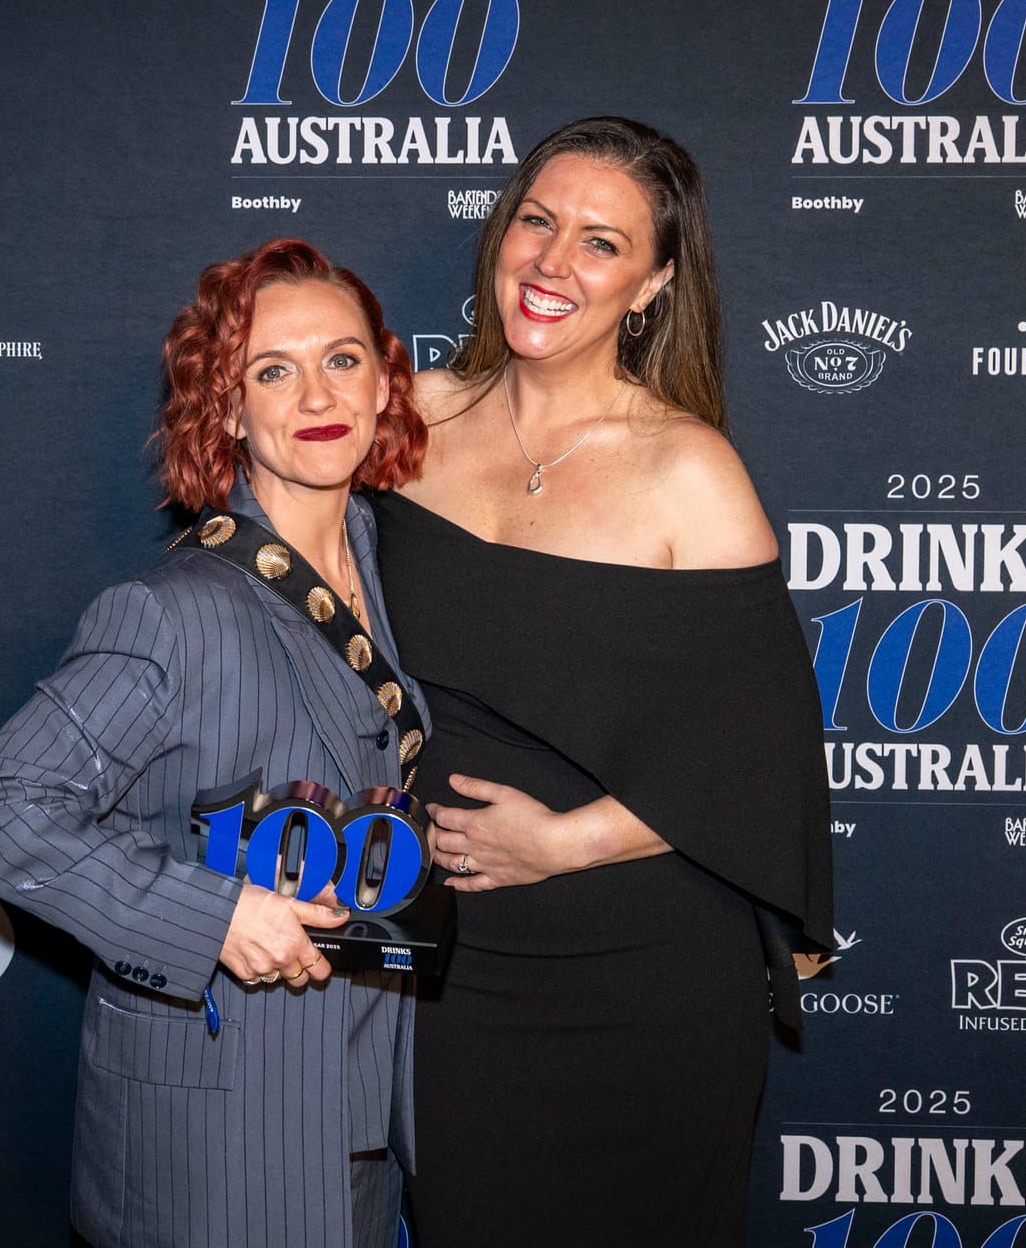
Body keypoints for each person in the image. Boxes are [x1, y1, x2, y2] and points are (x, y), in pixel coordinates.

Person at [370, 117, 833, 1246]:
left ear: (652, 282)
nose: (549, 262)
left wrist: (564, 840)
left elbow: (762, 758)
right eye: (536, 220)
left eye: (599, 242)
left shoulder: (689, 470)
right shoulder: (408, 417)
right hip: (448, 967)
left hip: (646, 968)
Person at [0, 238, 429, 1248]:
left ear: (386, 381)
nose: (314, 393)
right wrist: (210, 916)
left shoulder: (392, 565)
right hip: (218, 1136)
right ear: (226, 408)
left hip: (362, 1120)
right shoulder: (170, 613)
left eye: (341, 358)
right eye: (271, 369)